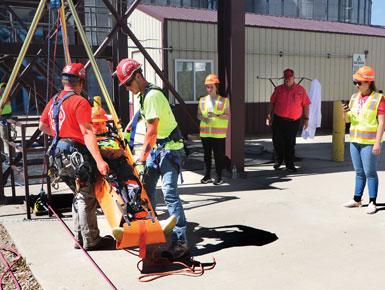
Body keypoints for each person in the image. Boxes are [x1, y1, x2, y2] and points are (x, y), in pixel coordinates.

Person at [115, 58, 189, 258]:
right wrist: (131, 124)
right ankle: (150, 229)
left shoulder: (153, 95)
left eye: (128, 83)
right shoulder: (143, 94)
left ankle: (181, 241)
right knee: (146, 189)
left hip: (171, 149)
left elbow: (152, 133)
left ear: (138, 77)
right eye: (125, 85)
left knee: (169, 192)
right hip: (158, 150)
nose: (128, 88)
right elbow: (142, 111)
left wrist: (140, 159)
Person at [39, 63, 114, 251]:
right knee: (86, 196)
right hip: (75, 155)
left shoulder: (55, 100)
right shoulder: (80, 102)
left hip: (57, 154)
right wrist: (100, 161)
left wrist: (60, 134)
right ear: (80, 82)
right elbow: (88, 133)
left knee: (78, 194)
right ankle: (92, 240)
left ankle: (79, 238)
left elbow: (42, 127)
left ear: (64, 81)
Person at [90, 105, 177, 235]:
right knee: (118, 190)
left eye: (102, 123)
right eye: (96, 124)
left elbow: (128, 131)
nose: (100, 126)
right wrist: (108, 153)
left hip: (122, 164)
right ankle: (126, 222)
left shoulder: (114, 136)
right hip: (107, 169)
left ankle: (149, 219)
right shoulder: (89, 139)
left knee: (134, 186)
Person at [341, 66, 385, 214]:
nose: (357, 85)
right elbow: (348, 120)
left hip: (370, 142)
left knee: (370, 172)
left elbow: (382, 123)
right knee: (359, 172)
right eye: (355, 82)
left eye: (359, 82)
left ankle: (373, 202)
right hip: (355, 140)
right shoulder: (354, 97)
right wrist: (345, 113)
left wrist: (377, 142)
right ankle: (357, 199)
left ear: (368, 82)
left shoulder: (379, 98)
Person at [266, 68, 311, 172]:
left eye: (289, 78)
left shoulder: (301, 90)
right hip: (278, 120)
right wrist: (268, 116)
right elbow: (272, 103)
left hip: (293, 122)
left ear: (294, 78)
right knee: (278, 142)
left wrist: (307, 119)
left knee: (290, 143)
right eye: (285, 78)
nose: (287, 80)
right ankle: (278, 161)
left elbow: (306, 105)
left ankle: (289, 164)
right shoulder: (278, 89)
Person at [197, 74, 230, 185]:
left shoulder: (223, 101)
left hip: (218, 134)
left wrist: (216, 116)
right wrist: (203, 119)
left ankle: (219, 177)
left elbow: (227, 116)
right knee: (206, 155)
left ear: (216, 86)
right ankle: (207, 176)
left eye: (211, 87)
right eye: (207, 87)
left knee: (218, 155)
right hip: (205, 133)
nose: (209, 89)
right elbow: (198, 115)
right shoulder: (202, 100)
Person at [0, 82, 13, 158]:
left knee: (6, 138)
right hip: (2, 118)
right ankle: (3, 158)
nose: (4, 90)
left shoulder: (6, 97)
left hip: (5, 118)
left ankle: (12, 158)